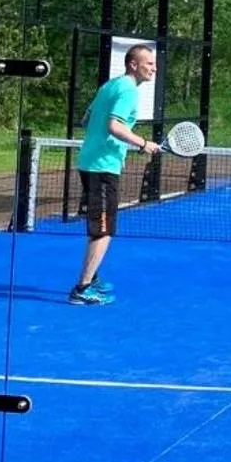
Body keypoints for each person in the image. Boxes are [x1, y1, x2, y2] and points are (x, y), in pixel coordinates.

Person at [70, 43, 161, 305]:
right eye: (149, 64)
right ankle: (82, 288)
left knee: (99, 225)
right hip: (101, 167)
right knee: (104, 230)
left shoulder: (110, 85)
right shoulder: (129, 90)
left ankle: (93, 277)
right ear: (133, 65)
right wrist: (143, 144)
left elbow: (88, 118)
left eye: (154, 64)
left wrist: (116, 152)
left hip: (92, 162)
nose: (153, 68)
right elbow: (113, 126)